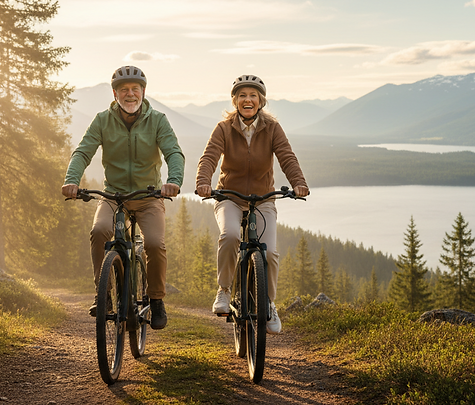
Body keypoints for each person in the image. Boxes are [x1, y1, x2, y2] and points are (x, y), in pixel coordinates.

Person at [62, 65, 183, 330]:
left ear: (143, 92)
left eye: (135, 89)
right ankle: (103, 294)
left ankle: (156, 298)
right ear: (115, 94)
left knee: (154, 243)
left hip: (149, 196)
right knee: (99, 231)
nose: (130, 94)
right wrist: (72, 180)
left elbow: (173, 152)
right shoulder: (102, 120)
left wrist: (173, 181)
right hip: (113, 196)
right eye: (124, 90)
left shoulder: (158, 120)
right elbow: (83, 152)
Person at [195, 74, 309, 334]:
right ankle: (224, 290)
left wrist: (299, 183)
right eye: (242, 95)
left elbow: (287, 157)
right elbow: (209, 156)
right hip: (230, 198)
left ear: (261, 101)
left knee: (268, 252)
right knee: (230, 235)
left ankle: (268, 303)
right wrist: (203, 182)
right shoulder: (224, 128)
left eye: (253, 96)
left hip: (263, 200)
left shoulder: (272, 128)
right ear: (235, 101)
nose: (248, 100)